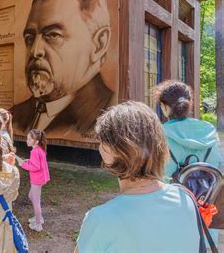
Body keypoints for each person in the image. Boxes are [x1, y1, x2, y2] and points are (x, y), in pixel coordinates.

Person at [76, 101, 202, 253]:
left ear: (116, 150)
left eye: (102, 140)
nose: (99, 146)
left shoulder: (101, 219)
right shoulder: (185, 199)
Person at [11, 0, 114, 136]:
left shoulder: (107, 119)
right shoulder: (15, 116)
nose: (35, 51)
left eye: (53, 35)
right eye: (30, 39)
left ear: (99, 44)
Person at [153, 80, 222, 180]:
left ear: (164, 107)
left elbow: (159, 173)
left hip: (172, 193)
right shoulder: (208, 129)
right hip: (207, 192)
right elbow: (216, 163)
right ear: (189, 103)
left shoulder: (160, 133)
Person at [18, 129, 50, 232]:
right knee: (31, 196)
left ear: (36, 142)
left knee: (36, 201)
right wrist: (29, 161)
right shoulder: (39, 149)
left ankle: (38, 223)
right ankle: (38, 217)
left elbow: (36, 167)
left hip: (37, 179)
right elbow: (38, 163)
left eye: (29, 139)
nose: (27, 140)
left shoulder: (35, 151)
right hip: (40, 178)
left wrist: (23, 164)